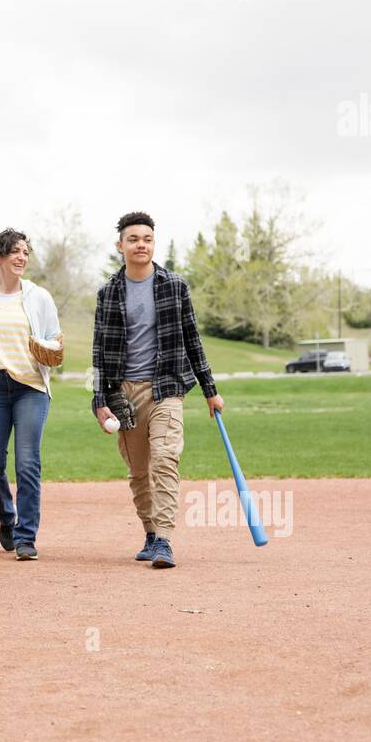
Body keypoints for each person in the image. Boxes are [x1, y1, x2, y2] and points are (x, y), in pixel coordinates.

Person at [91, 211, 224, 569]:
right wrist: (99, 399)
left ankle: (164, 539)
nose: (141, 244)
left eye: (147, 239)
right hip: (125, 393)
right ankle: (150, 533)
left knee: (165, 461)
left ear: (154, 243)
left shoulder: (174, 286)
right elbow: (99, 350)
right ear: (120, 245)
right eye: (133, 239)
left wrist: (211, 390)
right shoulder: (108, 292)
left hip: (167, 389)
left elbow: (193, 339)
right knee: (139, 471)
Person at [0, 228, 62, 560]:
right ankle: (7, 517)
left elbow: (55, 339)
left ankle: (26, 537)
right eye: (15, 252)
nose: (22, 257)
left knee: (28, 461)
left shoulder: (39, 297)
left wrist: (48, 348)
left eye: (26, 252)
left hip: (31, 388)